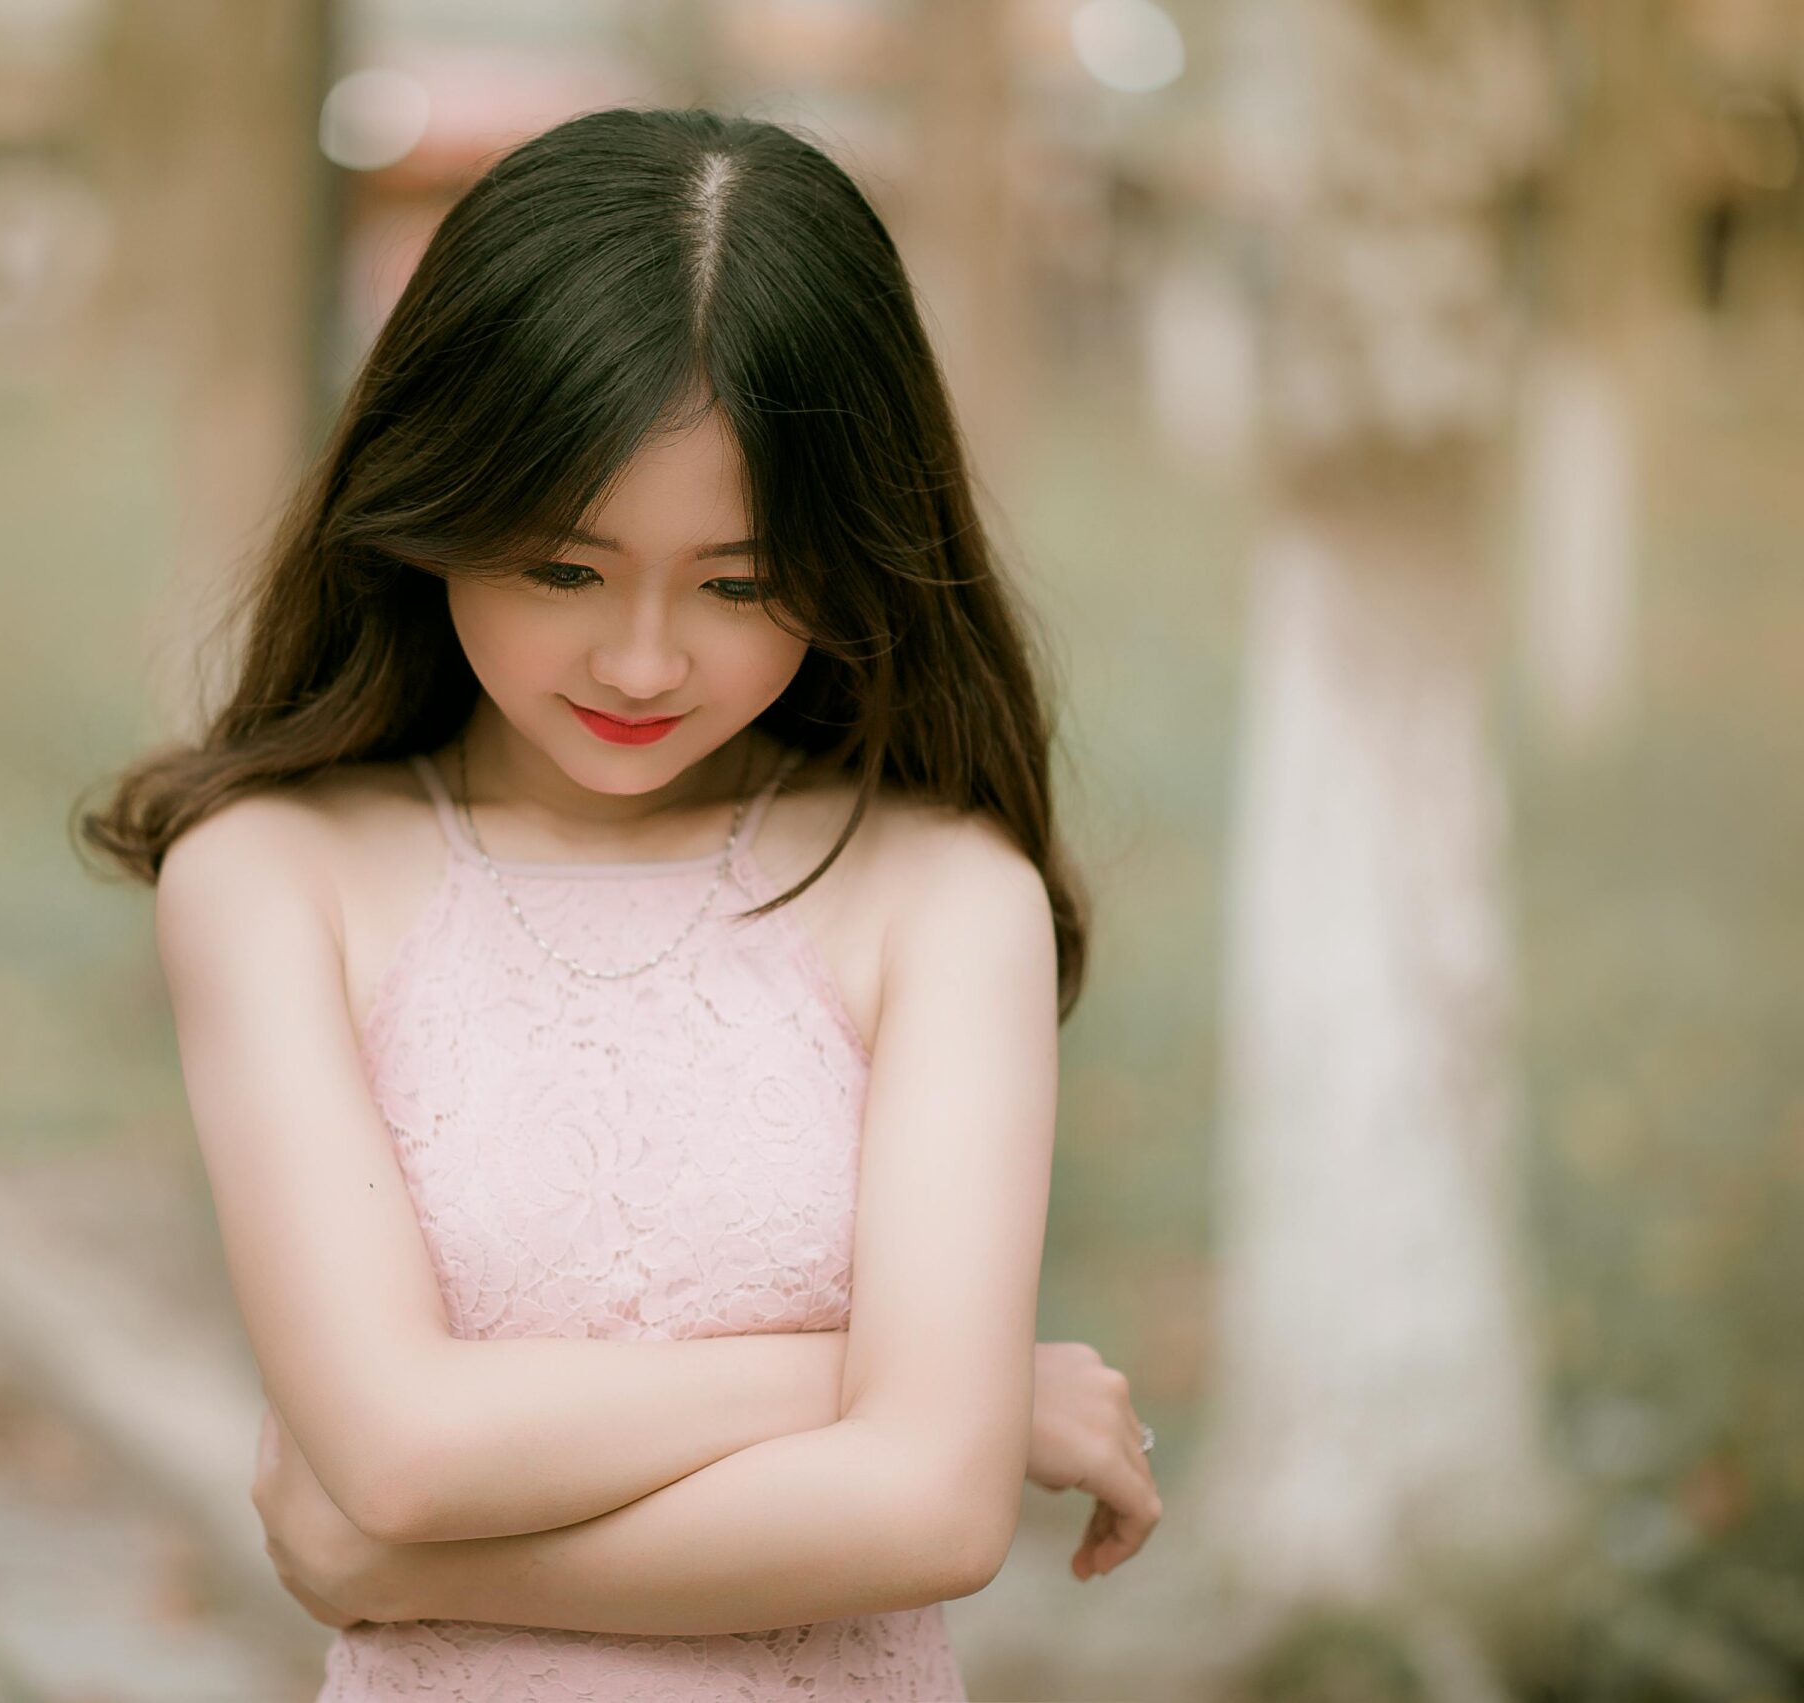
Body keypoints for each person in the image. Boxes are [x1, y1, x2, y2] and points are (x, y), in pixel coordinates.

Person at [77, 105, 1160, 1701]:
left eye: (738, 583)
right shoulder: (277, 878)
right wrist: (941, 1391)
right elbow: (395, 1454)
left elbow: (928, 1511)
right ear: (431, 499)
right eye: (564, 569)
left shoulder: (938, 894)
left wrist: (397, 1558)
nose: (645, 662)